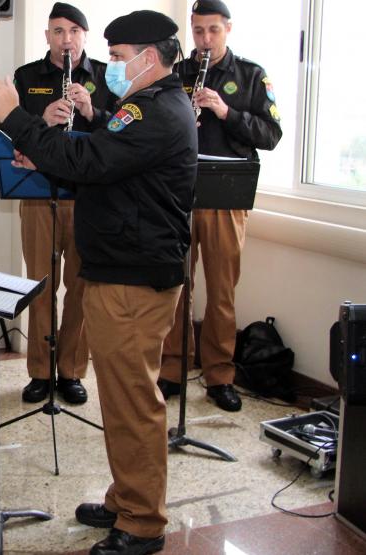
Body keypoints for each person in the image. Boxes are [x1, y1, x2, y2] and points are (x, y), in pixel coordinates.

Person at [0, 10, 196, 554]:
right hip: (119, 268)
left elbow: (92, 158)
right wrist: (56, 142)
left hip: (135, 277)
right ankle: (127, 498)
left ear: (150, 58)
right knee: (121, 397)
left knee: (132, 400)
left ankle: (143, 523)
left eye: (120, 59)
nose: (114, 68)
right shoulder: (142, 106)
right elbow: (102, 158)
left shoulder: (158, 110)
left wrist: (15, 118)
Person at [158, 0, 282, 412]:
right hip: (179, 195)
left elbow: (270, 133)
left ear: (228, 28)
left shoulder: (251, 74)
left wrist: (225, 111)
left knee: (222, 292)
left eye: (213, 30)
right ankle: (174, 368)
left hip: (226, 198)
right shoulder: (178, 73)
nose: (205, 40)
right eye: (198, 31)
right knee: (177, 287)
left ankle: (219, 375)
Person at [12, 2, 116, 405]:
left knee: (81, 286)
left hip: (89, 196)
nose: (66, 39)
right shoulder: (26, 77)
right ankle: (39, 370)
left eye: (73, 31)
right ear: (47, 37)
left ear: (85, 37)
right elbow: (9, 134)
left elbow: (122, 134)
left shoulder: (108, 76)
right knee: (40, 284)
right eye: (57, 31)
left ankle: (71, 370)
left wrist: (91, 110)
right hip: (38, 193)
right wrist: (44, 122)